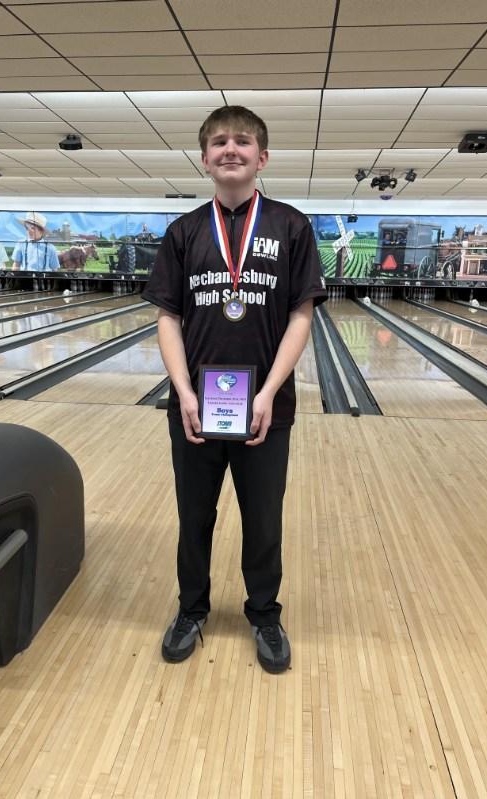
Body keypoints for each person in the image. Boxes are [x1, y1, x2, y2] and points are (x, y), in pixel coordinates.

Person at [142, 105, 327, 674]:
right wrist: (184, 392)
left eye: (242, 141)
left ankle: (264, 614)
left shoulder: (292, 227)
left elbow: (302, 315)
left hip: (267, 409)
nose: (231, 149)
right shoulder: (183, 232)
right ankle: (191, 610)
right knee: (193, 518)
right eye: (219, 141)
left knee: (263, 520)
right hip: (194, 408)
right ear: (204, 158)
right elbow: (167, 318)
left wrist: (270, 392)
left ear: (261, 157)